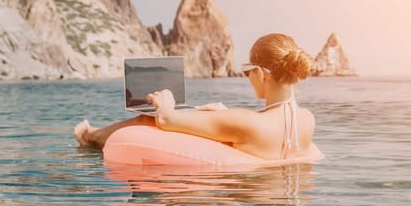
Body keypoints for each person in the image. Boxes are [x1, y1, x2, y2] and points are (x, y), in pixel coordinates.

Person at [74, 33, 316, 160]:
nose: (246, 77)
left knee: (146, 121)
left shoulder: (246, 122)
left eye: (247, 71)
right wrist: (225, 116)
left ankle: (91, 137)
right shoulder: (307, 120)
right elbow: (261, 124)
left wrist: (164, 100)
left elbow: (166, 120)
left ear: (262, 73)